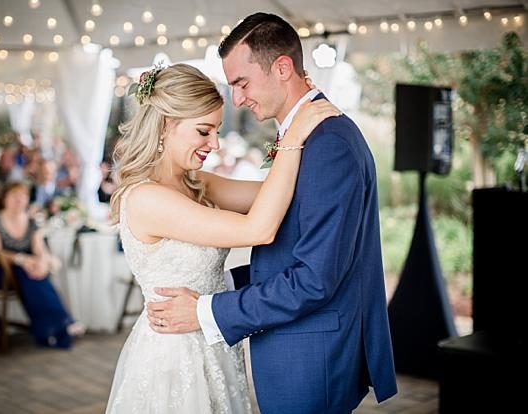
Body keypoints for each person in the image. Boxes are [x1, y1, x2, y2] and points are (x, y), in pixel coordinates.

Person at [146, 13, 398, 413]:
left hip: (312, 355)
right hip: (298, 345)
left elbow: (315, 279)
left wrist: (206, 310)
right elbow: (292, 247)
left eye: (241, 83)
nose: (238, 100)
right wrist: (215, 282)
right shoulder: (304, 137)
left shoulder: (327, 142)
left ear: (282, 67)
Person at [104, 62, 339, 413]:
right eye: (204, 131)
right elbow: (258, 229)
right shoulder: (146, 198)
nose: (214, 144)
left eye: (216, 131)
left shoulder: (197, 183)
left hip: (214, 341)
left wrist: (310, 140)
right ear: (167, 125)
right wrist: (292, 141)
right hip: (174, 354)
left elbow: (275, 197)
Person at [0, 182, 85, 349]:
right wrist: (22, 260)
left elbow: (39, 249)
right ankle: (62, 324)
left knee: (35, 274)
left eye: (23, 196)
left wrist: (42, 263)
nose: (19, 200)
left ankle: (51, 329)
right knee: (28, 274)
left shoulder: (30, 222)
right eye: (14, 196)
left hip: (27, 271)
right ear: (5, 198)